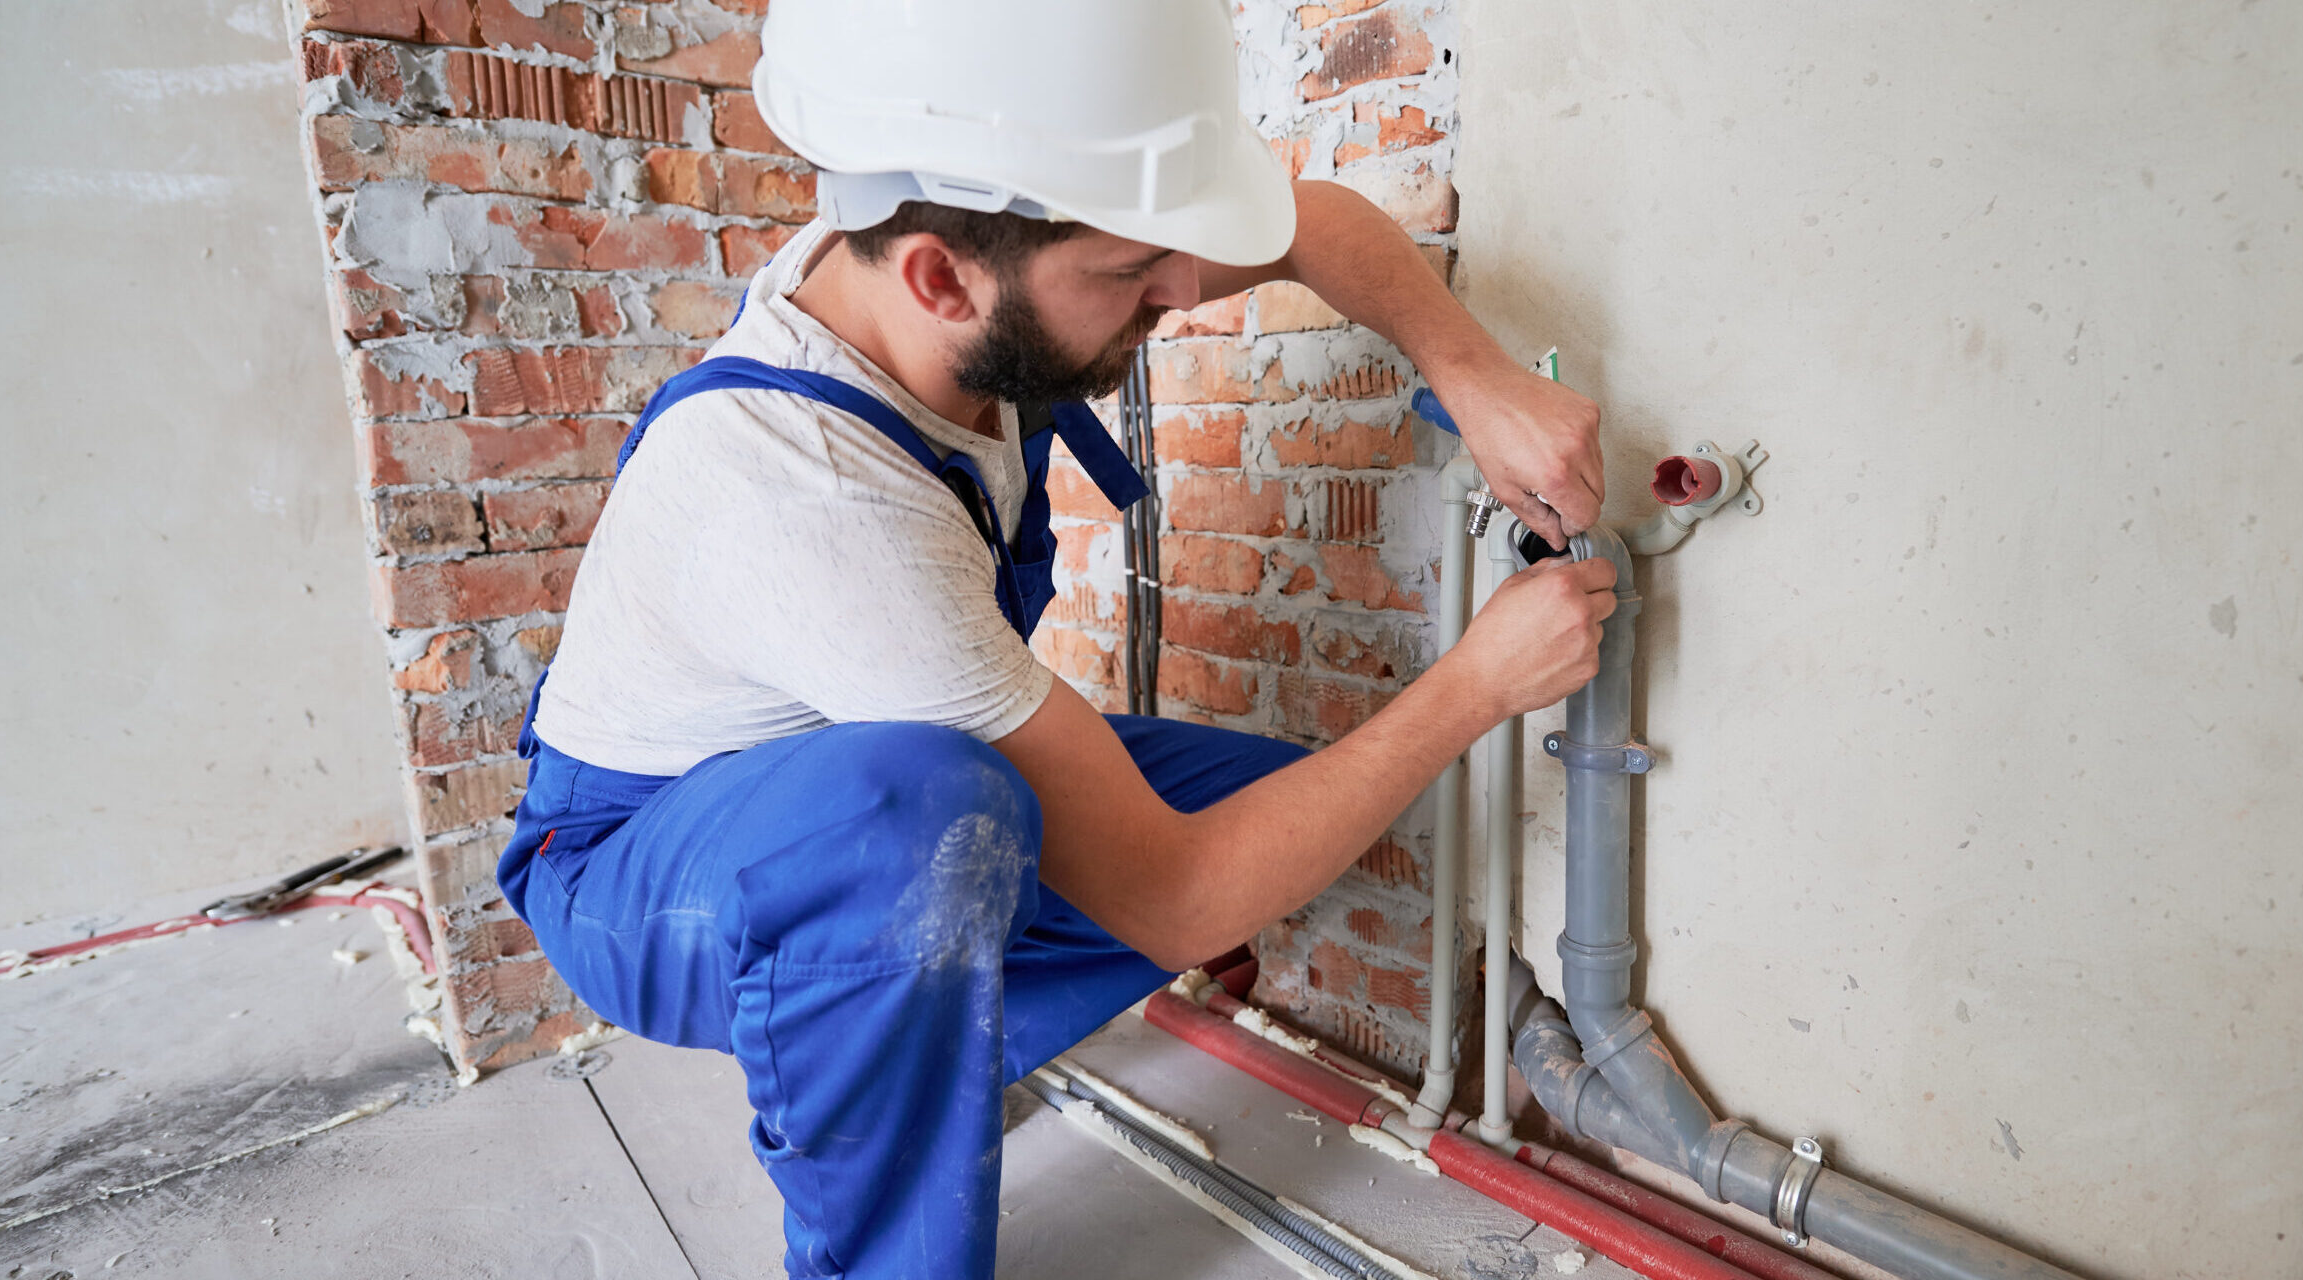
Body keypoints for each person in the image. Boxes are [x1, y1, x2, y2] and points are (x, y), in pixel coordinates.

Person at [493, 0, 1615, 1274]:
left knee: (1277, 806)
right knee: (927, 819)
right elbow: (1180, 896)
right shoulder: (813, 497)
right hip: (637, 861)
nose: (1185, 294)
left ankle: (914, 1036)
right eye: (1134, 277)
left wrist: (1477, 375)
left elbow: (1319, 225)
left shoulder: (946, 262)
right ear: (941, 277)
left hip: (834, 767)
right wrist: (1476, 683)